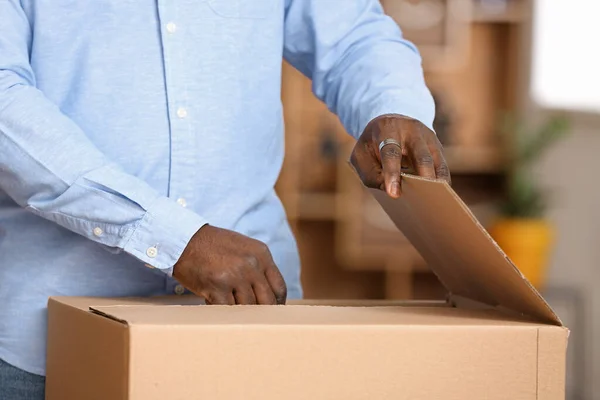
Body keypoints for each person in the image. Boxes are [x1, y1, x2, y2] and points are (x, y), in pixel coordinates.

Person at [0, 0, 450, 398]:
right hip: (49, 346)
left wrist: (392, 105)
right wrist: (174, 238)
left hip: (252, 331)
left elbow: (352, 35)